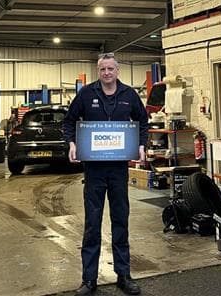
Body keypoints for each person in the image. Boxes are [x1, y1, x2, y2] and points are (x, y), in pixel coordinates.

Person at [63, 52, 149, 296]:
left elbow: (143, 121)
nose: (107, 73)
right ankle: (89, 280)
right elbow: (69, 121)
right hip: (94, 171)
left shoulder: (129, 95)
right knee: (92, 224)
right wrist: (71, 143)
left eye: (111, 69)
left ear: (117, 71)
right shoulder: (87, 94)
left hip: (119, 170)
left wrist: (142, 145)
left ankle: (124, 276)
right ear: (98, 71)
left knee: (120, 222)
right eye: (103, 69)